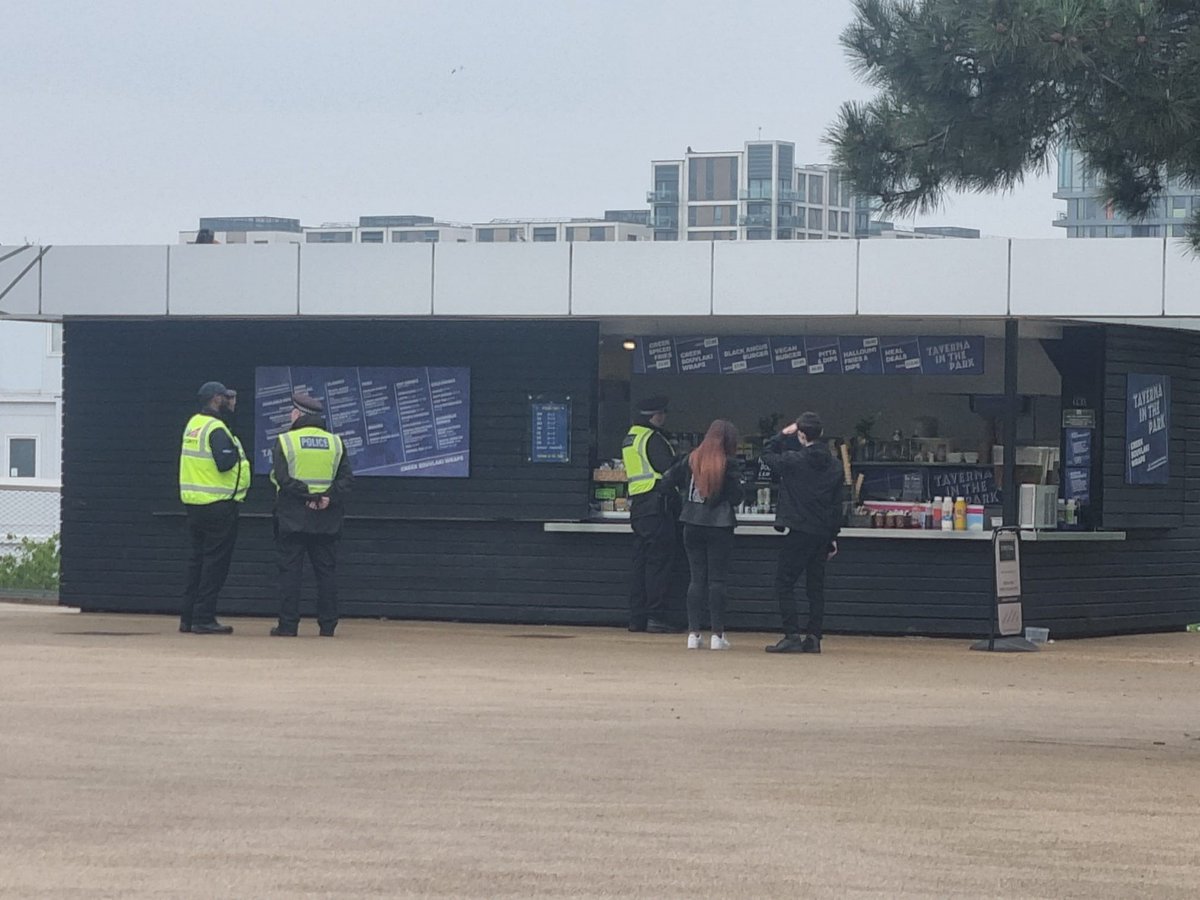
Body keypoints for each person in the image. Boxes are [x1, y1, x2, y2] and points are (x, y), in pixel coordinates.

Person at [269, 391, 353, 637]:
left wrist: (307, 495)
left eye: (291, 412)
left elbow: (282, 479)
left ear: (298, 414)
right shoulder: (336, 443)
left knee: (291, 573)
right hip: (326, 518)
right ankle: (327, 626)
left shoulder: (285, 441)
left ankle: (288, 626)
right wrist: (327, 496)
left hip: (292, 517)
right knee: (326, 573)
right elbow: (346, 480)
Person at [761, 412, 844, 654]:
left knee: (784, 582)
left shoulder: (793, 461)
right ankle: (814, 637)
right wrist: (832, 537)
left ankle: (791, 635)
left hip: (798, 529)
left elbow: (766, 455)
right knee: (815, 587)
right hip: (821, 533)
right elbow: (837, 505)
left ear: (801, 435)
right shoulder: (836, 466)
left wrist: (781, 434)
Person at [662, 420, 744, 650]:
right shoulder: (729, 463)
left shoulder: (691, 459)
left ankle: (693, 634)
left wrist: (684, 502)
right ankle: (717, 635)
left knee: (696, 579)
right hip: (720, 526)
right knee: (717, 581)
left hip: (691, 523)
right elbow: (737, 496)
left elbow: (666, 481)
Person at [179, 381, 249, 634]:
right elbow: (225, 462)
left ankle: (188, 617)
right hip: (217, 505)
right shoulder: (217, 428)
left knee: (197, 561)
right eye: (226, 397)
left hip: (194, 504)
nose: (230, 401)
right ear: (216, 399)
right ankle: (204, 617)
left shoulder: (193, 424)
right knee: (215, 564)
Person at [621, 395, 681, 633]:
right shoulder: (653, 438)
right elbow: (670, 470)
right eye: (662, 414)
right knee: (658, 564)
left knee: (641, 564)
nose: (664, 417)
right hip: (657, 506)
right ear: (653, 416)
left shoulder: (630, 437)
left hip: (639, 507)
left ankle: (637, 618)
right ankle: (656, 617)